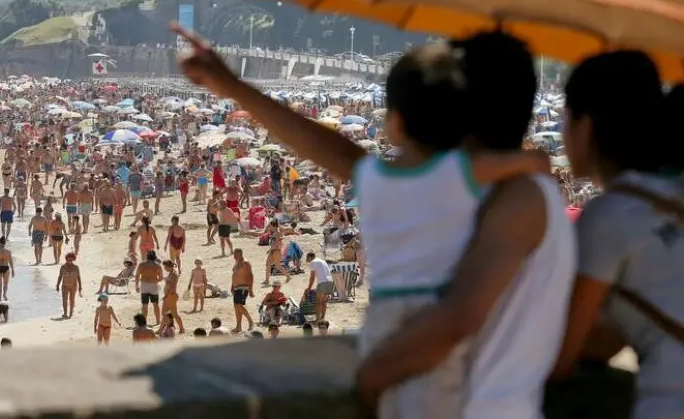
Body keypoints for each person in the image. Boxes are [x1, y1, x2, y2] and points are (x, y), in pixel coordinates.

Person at [173, 25, 574, 417]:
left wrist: (372, 374)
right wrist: (233, 87)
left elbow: (456, 319)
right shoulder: (491, 187)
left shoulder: (511, 197)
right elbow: (337, 153)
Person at [552, 51, 684, 417]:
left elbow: (564, 354)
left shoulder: (609, 215)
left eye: (568, 118)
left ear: (587, 127)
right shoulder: (672, 191)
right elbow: (610, 337)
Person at [230, 248, 254, 333]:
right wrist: (232, 287)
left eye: (235, 254)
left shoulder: (245, 263)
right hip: (236, 288)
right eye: (234, 254)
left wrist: (251, 289)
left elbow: (250, 275)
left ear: (240, 254)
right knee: (237, 307)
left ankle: (250, 321)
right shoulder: (237, 263)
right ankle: (238, 326)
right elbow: (234, 275)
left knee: (239, 305)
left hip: (243, 287)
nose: (234, 256)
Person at [135, 250, 163, 325]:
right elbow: (161, 278)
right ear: (154, 257)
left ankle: (144, 322)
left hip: (144, 286)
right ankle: (157, 322)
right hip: (153, 286)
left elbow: (137, 275)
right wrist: (155, 280)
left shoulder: (141, 264)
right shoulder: (157, 266)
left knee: (144, 305)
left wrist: (136, 286)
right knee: (155, 304)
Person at [305, 252, 333, 322]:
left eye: (307, 258)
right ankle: (323, 318)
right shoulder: (322, 261)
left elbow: (312, 277)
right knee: (324, 302)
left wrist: (309, 288)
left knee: (318, 302)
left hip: (322, 282)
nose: (307, 260)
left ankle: (318, 320)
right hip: (330, 282)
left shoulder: (313, 262)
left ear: (310, 257)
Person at [56, 253, 83, 319]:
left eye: (71, 260)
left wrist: (80, 287)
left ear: (73, 259)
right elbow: (60, 277)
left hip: (73, 286)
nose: (69, 261)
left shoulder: (76, 267)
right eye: (68, 260)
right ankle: (65, 313)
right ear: (66, 259)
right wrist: (57, 285)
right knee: (64, 300)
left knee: (72, 299)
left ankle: (71, 313)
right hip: (64, 286)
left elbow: (78, 277)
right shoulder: (63, 267)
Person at [0, 236, 15, 302]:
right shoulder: (8, 251)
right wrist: (13, 269)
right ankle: (4, 294)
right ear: (4, 243)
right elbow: (10, 261)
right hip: (6, 268)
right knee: (5, 283)